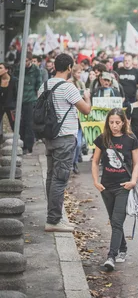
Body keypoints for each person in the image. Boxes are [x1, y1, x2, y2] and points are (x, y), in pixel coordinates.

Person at [39, 54, 92, 232]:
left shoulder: (44, 85)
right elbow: (86, 110)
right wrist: (87, 97)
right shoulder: (68, 88)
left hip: (50, 138)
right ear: (69, 67)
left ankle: (54, 216)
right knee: (60, 179)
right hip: (65, 138)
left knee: (51, 177)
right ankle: (53, 220)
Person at [91, 108, 138, 271]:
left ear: (124, 122)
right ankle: (123, 248)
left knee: (117, 221)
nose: (114, 126)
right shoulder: (102, 139)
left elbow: (136, 163)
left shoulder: (131, 139)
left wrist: (133, 181)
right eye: (111, 122)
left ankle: (111, 256)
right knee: (114, 221)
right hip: (106, 187)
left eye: (117, 122)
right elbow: (95, 161)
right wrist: (96, 181)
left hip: (123, 187)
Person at [15, 52, 42, 154]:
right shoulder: (17, 69)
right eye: (23, 60)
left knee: (29, 124)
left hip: (31, 100)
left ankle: (28, 146)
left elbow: (38, 86)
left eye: (26, 60)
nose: (24, 63)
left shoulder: (36, 70)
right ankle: (20, 144)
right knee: (20, 124)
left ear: (30, 60)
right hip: (19, 100)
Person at [0, 63, 17, 130]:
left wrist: (14, 105)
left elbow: (16, 94)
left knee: (14, 124)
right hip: (1, 105)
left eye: (0, 68)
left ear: (6, 70)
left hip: (11, 107)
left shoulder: (14, 80)